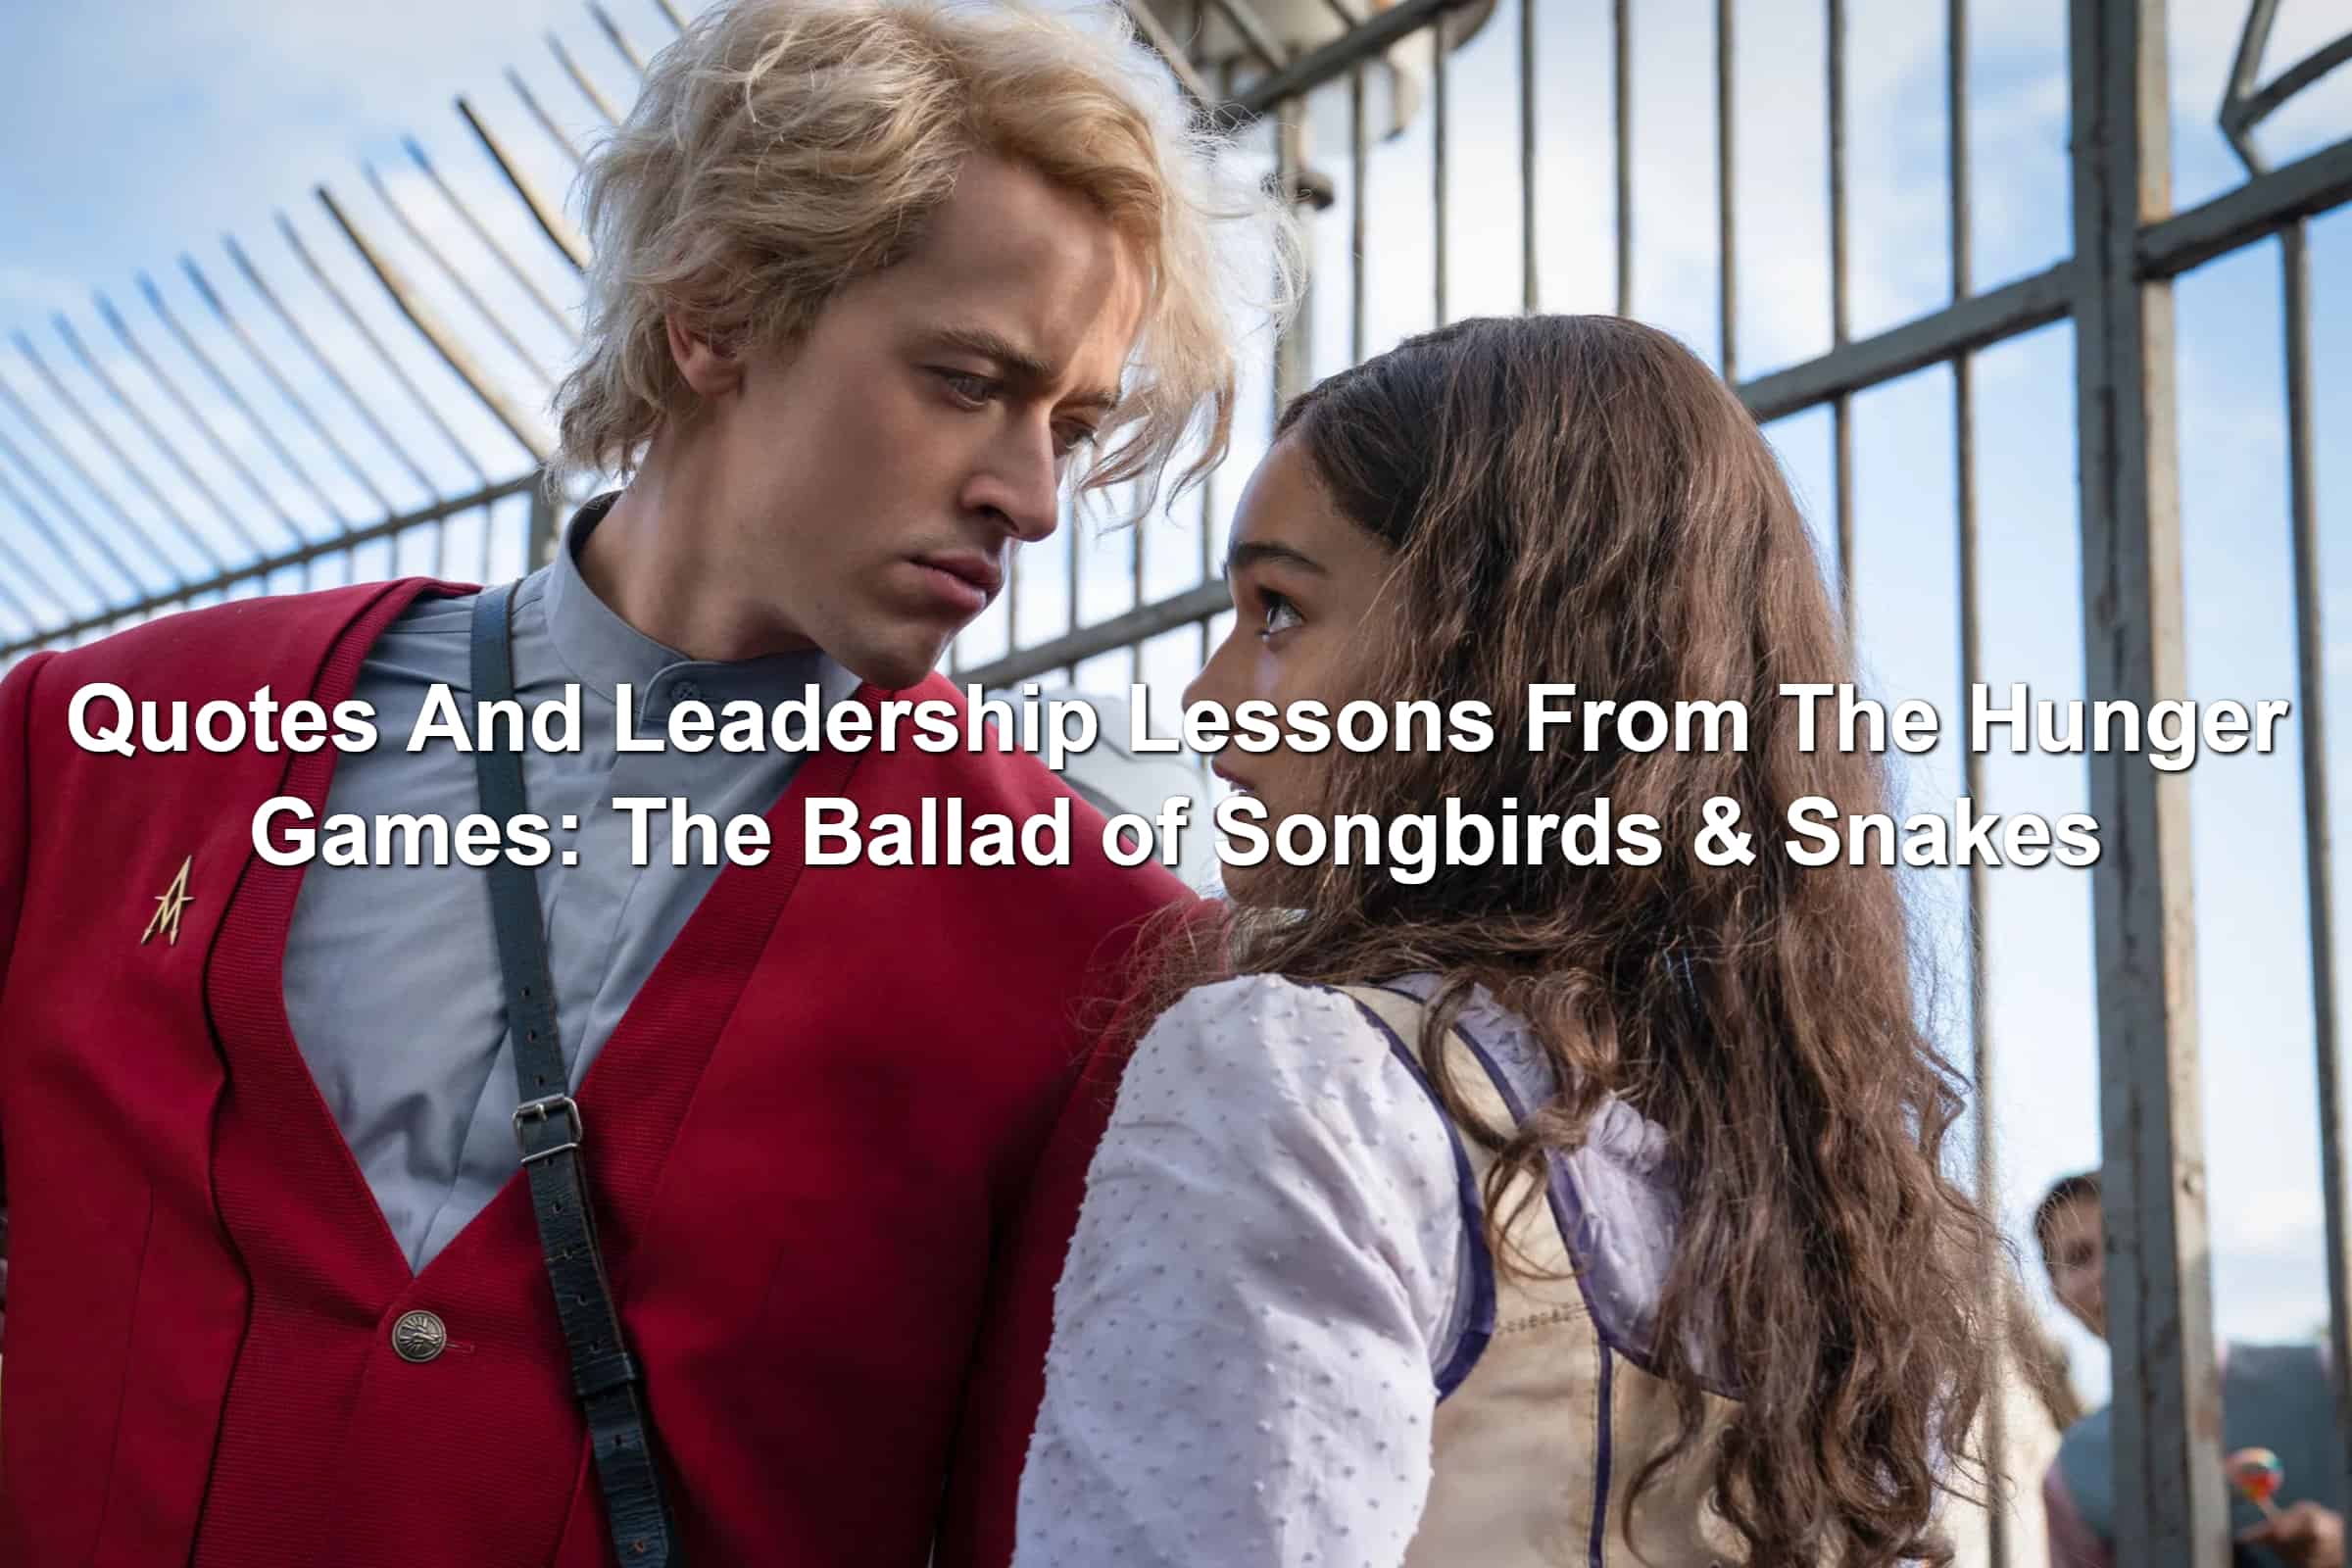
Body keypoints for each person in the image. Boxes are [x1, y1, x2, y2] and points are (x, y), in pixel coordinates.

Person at [0, 1, 1291, 1561]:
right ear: (715, 315)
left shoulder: (1094, 954)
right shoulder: (106, 746)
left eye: (1071, 427)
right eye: (967, 381)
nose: (1028, 496)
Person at [1009, 314, 2003, 1566]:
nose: (1208, 698)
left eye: (1278, 609)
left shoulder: (1302, 1076)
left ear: (1491, 663)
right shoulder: (1837, 1187)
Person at [2035, 1172, 2347, 1568]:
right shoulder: (2069, 1477)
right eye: (2079, 1257)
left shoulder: (2327, 1375)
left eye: (2124, 1242)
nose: (2106, 1271)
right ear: (2056, 1292)